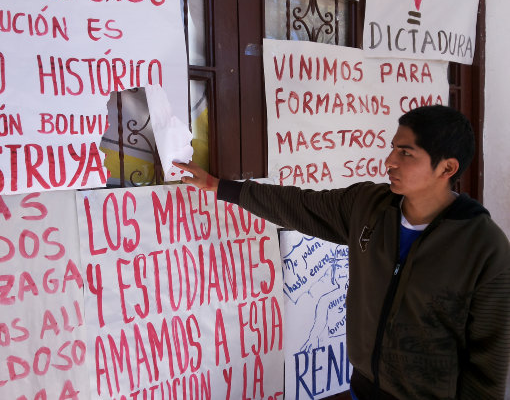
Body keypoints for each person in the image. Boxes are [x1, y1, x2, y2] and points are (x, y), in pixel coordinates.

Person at [173, 105, 510, 400]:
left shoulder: (483, 248)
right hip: (362, 389)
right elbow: (300, 205)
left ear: (447, 168)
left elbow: (488, 365)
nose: (389, 161)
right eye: (393, 148)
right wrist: (221, 187)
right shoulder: (369, 207)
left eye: (406, 153)